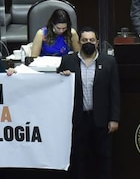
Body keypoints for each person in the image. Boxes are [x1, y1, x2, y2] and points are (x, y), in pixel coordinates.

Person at [58, 27, 120, 179]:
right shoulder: (68, 61)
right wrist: (61, 76)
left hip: (101, 119)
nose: (88, 43)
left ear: (97, 42)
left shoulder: (108, 61)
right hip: (77, 120)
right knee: (78, 159)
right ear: (79, 42)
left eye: (91, 40)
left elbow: (115, 91)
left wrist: (114, 118)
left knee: (102, 158)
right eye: (84, 40)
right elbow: (58, 88)